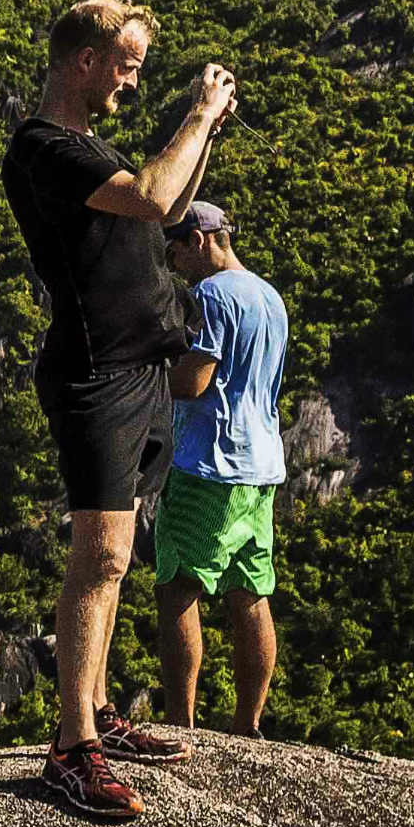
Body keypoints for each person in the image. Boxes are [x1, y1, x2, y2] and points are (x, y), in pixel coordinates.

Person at [8, 0, 236, 821]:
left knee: (118, 552)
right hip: (97, 376)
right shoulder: (44, 147)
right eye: (127, 64)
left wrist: (205, 133)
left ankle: (96, 706)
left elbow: (168, 207)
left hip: (139, 374)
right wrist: (199, 111)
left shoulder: (84, 148)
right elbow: (149, 195)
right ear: (84, 60)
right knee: (100, 555)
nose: (132, 82)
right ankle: (72, 746)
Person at [155, 202, 287, 735]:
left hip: (210, 465)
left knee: (178, 589)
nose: (173, 264)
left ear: (200, 240)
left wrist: (142, 374)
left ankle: (178, 724)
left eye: (175, 250)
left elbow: (193, 382)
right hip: (262, 466)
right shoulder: (268, 296)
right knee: (250, 593)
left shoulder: (209, 297)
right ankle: (247, 723)